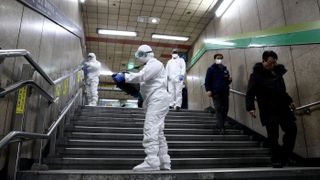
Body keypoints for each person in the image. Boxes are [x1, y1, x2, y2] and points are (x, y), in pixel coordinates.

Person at [112, 45, 171, 171]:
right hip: (156, 99)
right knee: (158, 132)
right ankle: (164, 161)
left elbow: (143, 76)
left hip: (158, 98)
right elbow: (144, 86)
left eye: (140, 54)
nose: (139, 57)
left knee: (150, 127)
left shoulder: (155, 64)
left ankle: (151, 161)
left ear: (146, 53)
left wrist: (125, 76)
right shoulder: (149, 66)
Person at [246, 50, 297, 168]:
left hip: (283, 107)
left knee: (292, 129)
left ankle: (285, 156)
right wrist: (251, 107)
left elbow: (282, 91)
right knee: (273, 136)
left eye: (274, 63)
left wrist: (290, 101)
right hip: (268, 109)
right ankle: (275, 159)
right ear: (263, 61)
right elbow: (250, 93)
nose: (272, 65)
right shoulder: (256, 76)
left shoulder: (277, 73)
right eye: (270, 63)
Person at [205, 53, 232, 134]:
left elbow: (227, 81)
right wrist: (208, 90)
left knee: (226, 109)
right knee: (219, 109)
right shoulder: (211, 69)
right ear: (215, 59)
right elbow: (207, 81)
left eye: (220, 58)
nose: (219, 59)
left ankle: (220, 124)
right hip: (216, 92)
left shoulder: (225, 69)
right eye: (217, 58)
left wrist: (230, 80)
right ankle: (221, 127)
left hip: (225, 92)